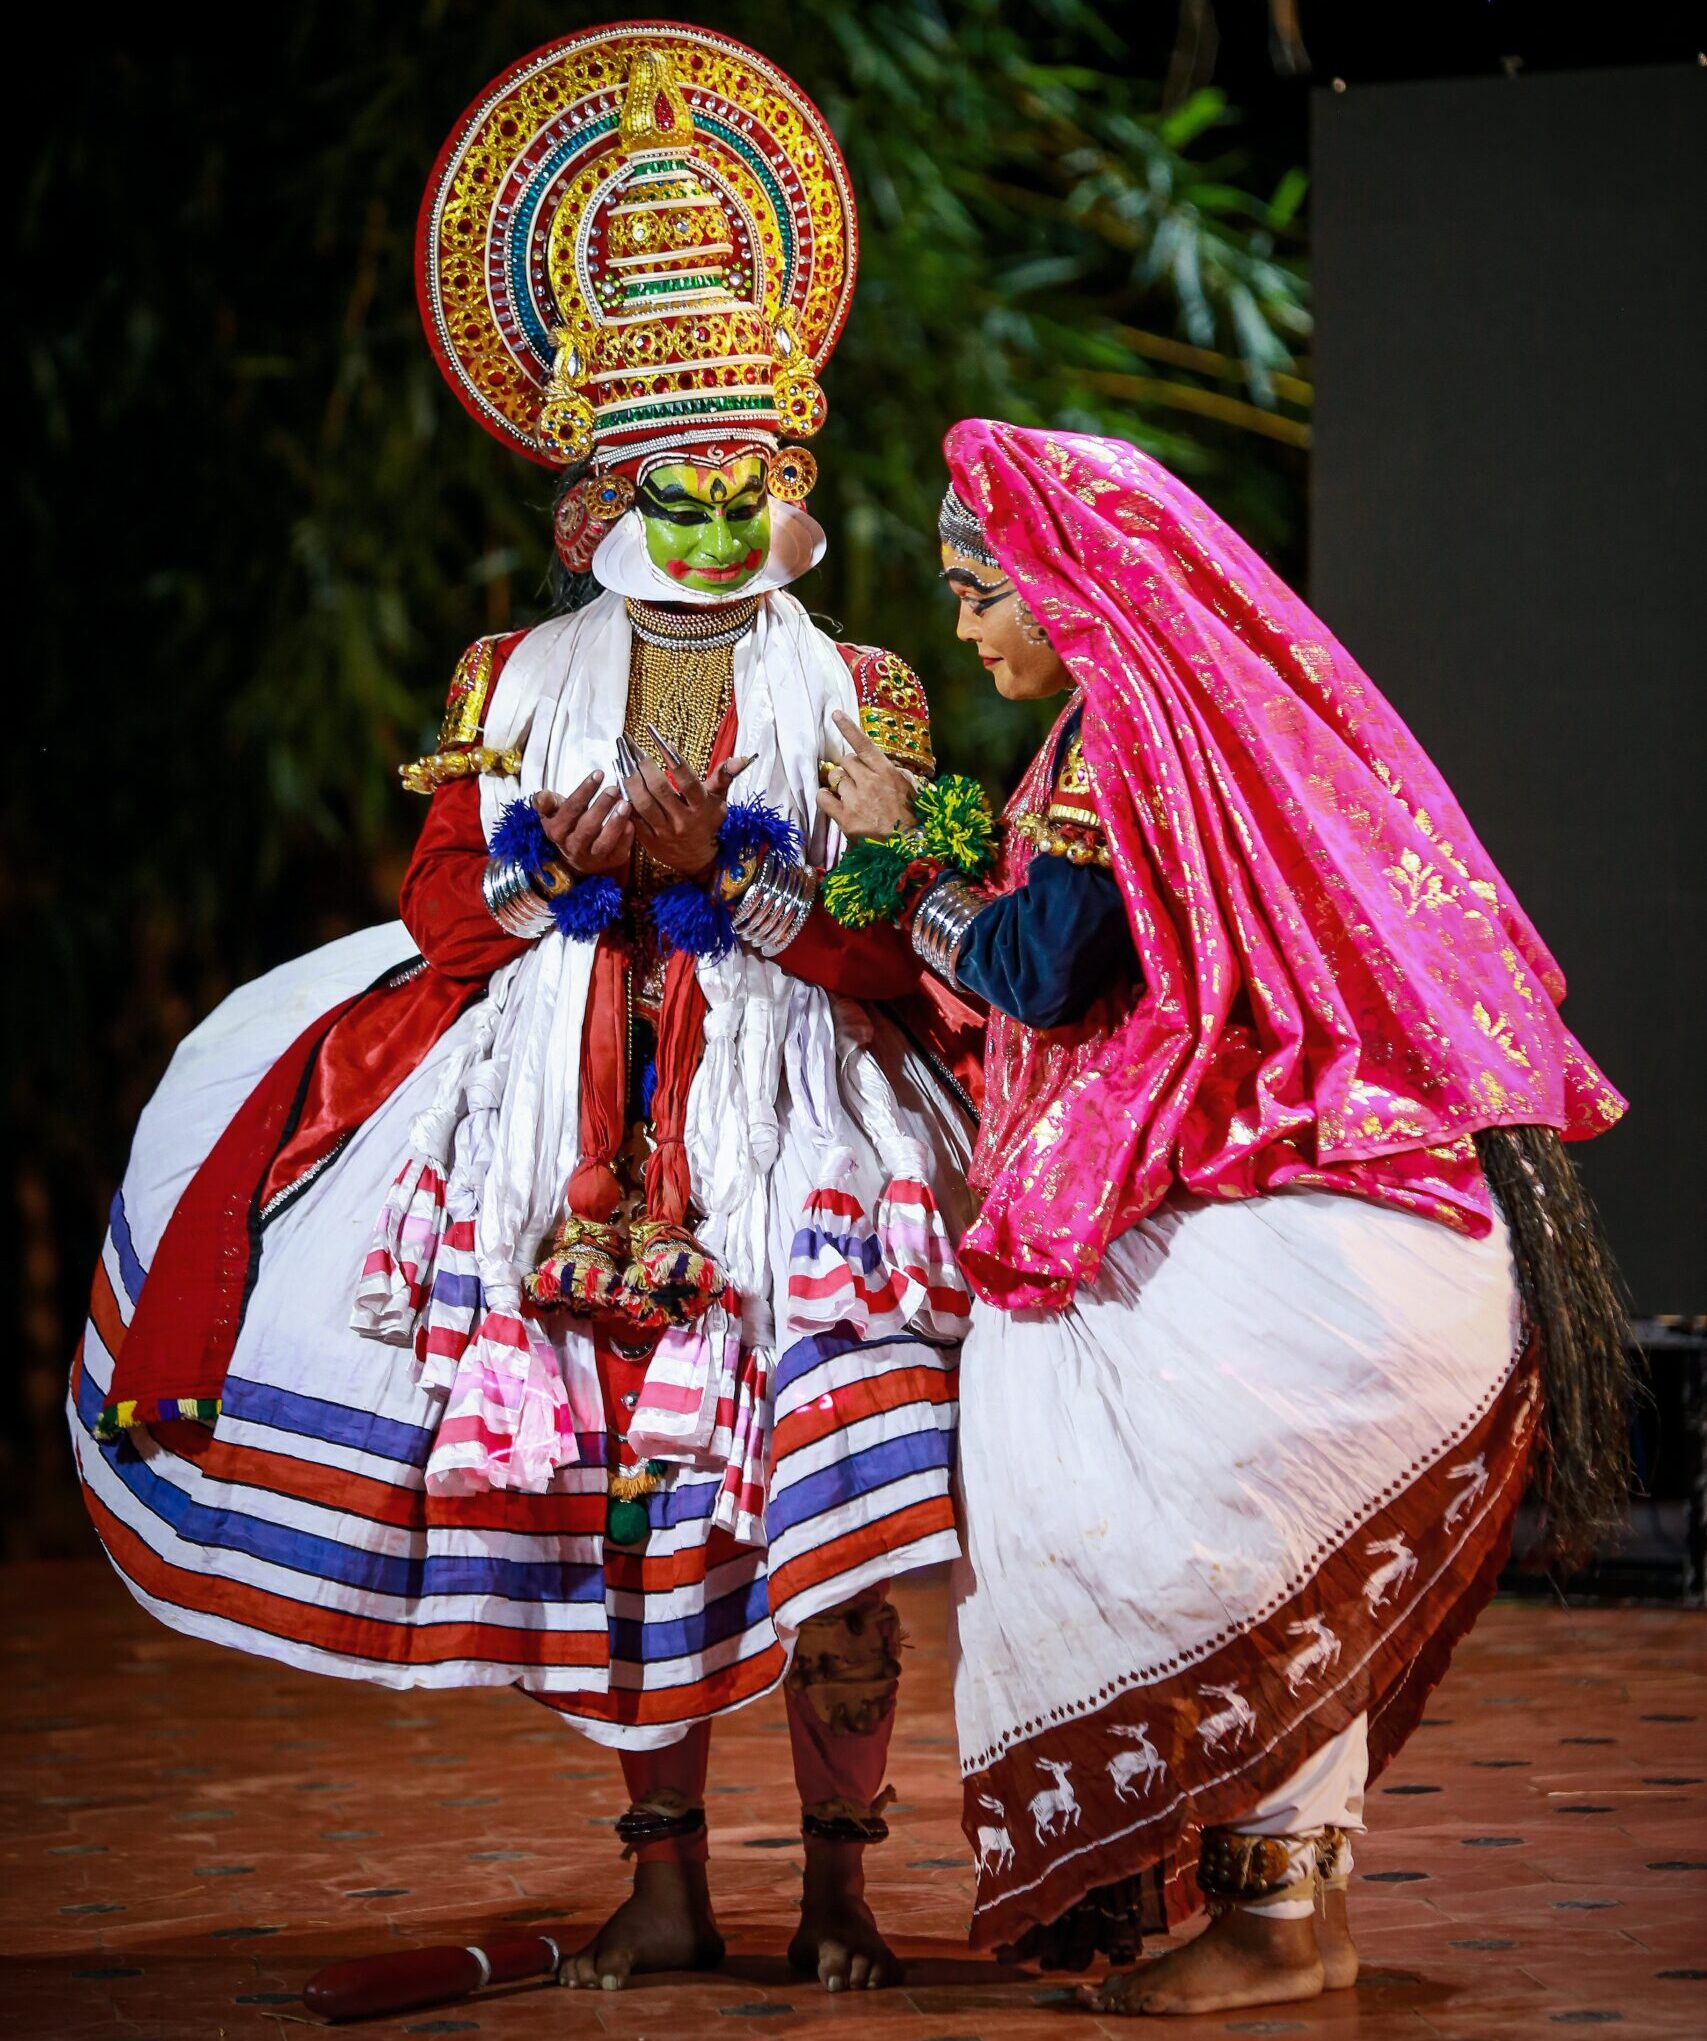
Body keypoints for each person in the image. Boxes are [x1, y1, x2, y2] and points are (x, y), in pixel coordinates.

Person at [68, 25, 979, 1996]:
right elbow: (435, 911)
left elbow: (893, 932)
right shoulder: (513, 674)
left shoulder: (874, 694)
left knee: (817, 1515)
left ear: (790, 459)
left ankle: (840, 1881)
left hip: (803, 1127)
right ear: (593, 487)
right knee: (632, 1514)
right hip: (556, 1130)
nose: (707, 488)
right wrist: (568, 863)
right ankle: (662, 1880)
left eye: (738, 456)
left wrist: (729, 869)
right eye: (666, 461)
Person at [815, 417, 1632, 2016]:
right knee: (1266, 1577)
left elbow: (1050, 968)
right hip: (1345, 1218)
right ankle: (1291, 1917)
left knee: (1189, 1550)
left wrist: (899, 862)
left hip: (1275, 1237)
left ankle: (1271, 1926)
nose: (968, 623)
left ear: (1066, 584)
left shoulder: (1125, 739)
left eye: (983, 588)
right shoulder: (1182, 722)